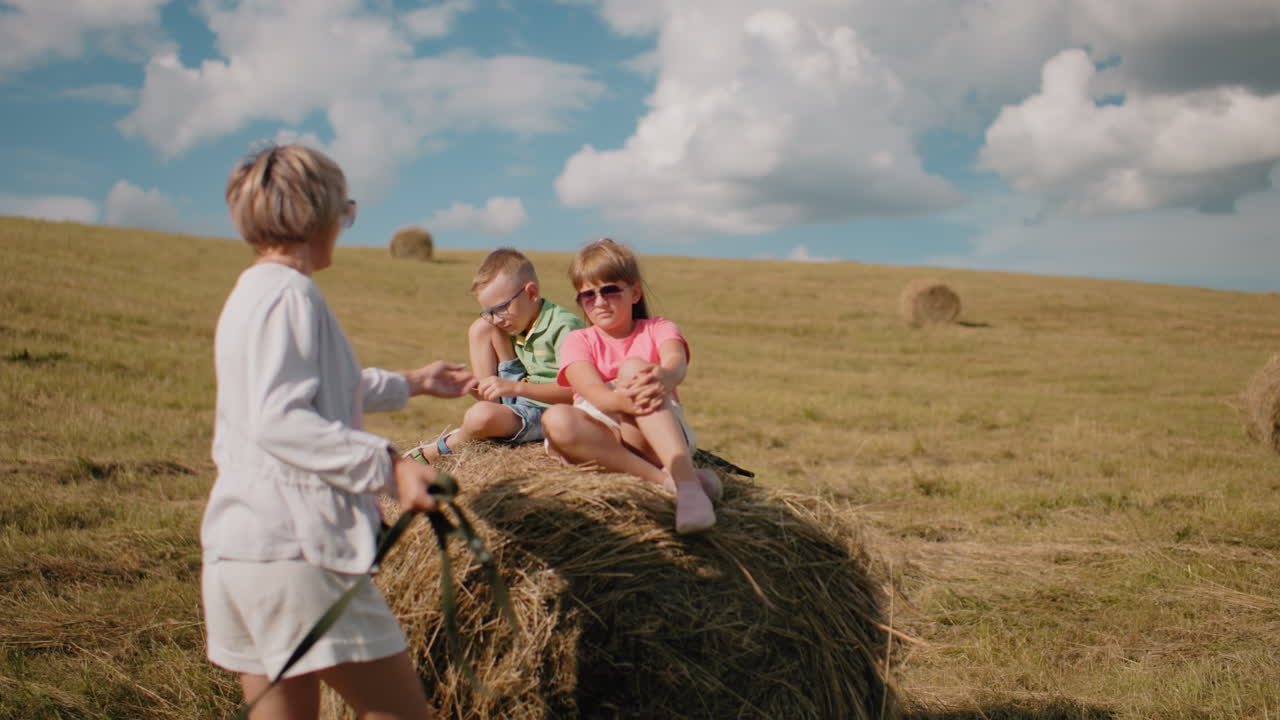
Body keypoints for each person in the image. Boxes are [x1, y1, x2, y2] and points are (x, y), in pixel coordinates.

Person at [202, 144, 476, 720]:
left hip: (240, 556)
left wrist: (413, 383)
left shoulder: (251, 293)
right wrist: (391, 466)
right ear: (316, 214)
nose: (344, 226)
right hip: (297, 555)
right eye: (344, 212)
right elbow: (279, 417)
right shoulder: (290, 295)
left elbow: (321, 385)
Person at [542, 238, 721, 534]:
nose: (599, 302)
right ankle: (669, 482)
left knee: (634, 368)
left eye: (610, 290)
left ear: (634, 292)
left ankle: (687, 485)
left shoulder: (658, 328)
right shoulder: (577, 341)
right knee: (556, 418)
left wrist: (665, 376)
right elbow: (595, 393)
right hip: (603, 438)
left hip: (653, 433)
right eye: (588, 295)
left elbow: (676, 361)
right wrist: (624, 401)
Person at [404, 248, 585, 463]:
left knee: (479, 416)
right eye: (490, 312)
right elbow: (512, 377)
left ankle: (443, 448)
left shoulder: (564, 327)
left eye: (502, 308)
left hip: (552, 413)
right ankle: (490, 408)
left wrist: (516, 388)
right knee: (481, 328)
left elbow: (579, 391)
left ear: (531, 293)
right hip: (519, 399)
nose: (497, 319)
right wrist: (472, 385)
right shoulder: (520, 321)